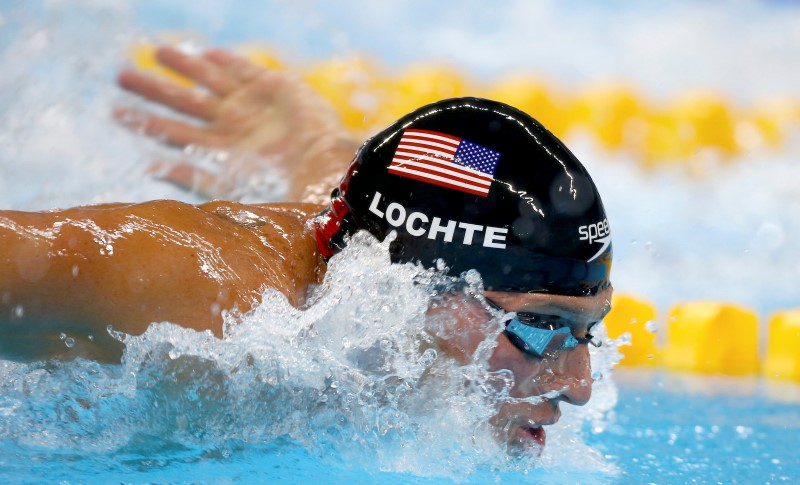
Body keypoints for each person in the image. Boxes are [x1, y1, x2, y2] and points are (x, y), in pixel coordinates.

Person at [0, 47, 612, 451]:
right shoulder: (204, 297)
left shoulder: (377, 266)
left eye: (588, 332)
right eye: (538, 328)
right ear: (408, 292)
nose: (579, 386)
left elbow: (367, 219)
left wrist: (311, 150)